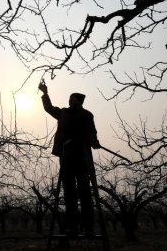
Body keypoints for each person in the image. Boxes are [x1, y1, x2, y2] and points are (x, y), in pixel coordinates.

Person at [38, 80, 101, 236]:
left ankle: (88, 228)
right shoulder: (63, 113)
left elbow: (92, 131)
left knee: (85, 192)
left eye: (72, 98)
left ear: (79, 101)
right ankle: (72, 227)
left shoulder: (86, 115)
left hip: (82, 155)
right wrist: (45, 94)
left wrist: (94, 141)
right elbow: (49, 108)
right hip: (66, 155)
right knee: (69, 193)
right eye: (69, 98)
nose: (69, 100)